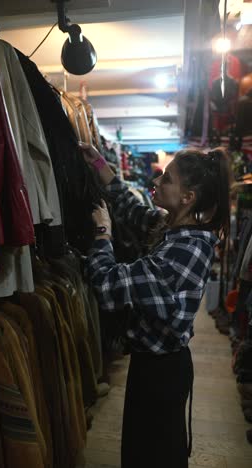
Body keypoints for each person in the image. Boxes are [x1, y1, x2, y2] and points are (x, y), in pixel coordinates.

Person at [79, 141, 230, 468]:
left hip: (160, 372)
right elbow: (136, 212)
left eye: (167, 179)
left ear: (188, 197)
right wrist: (99, 166)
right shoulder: (181, 232)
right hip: (159, 364)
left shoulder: (181, 253)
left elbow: (108, 284)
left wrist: (103, 235)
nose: (157, 182)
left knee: (150, 455)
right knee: (154, 449)